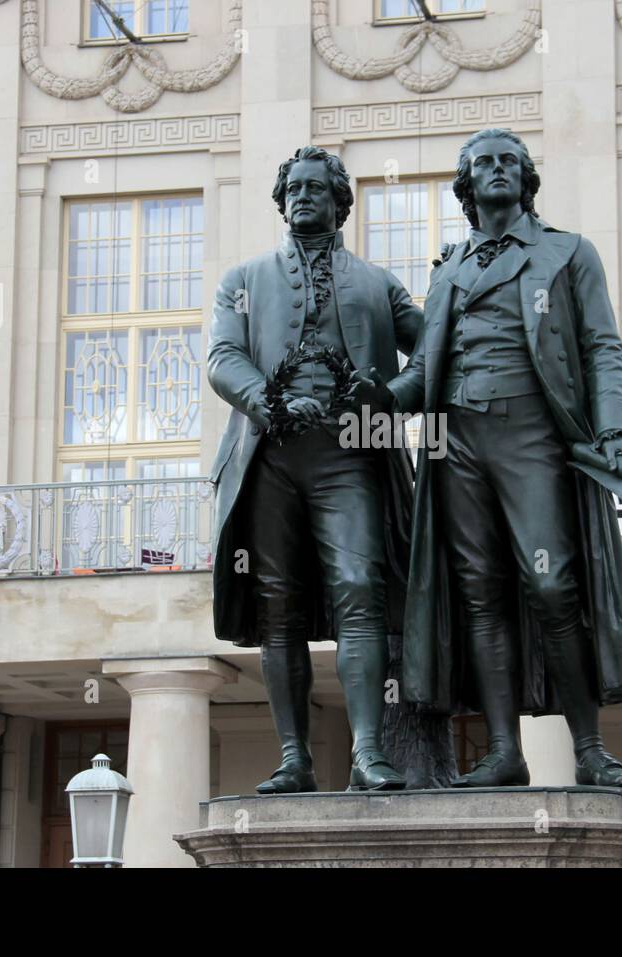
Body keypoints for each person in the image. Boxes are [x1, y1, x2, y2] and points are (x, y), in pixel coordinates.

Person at [400, 128, 622, 788]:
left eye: (510, 161)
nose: (498, 169)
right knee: (479, 594)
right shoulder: (448, 269)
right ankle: (504, 750)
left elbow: (602, 348)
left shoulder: (568, 252)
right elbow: (422, 368)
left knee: (552, 585)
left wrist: (613, 429)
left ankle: (588, 749)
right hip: (457, 443)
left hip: (532, 436)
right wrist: (369, 399)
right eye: (484, 163)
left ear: (526, 178)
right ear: (467, 184)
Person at [207, 146, 423, 793]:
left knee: (360, 587)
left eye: (317, 189)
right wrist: (268, 401)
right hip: (269, 457)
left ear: (339, 203)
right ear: (282, 202)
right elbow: (222, 357)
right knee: (279, 606)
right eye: (294, 189)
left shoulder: (378, 284)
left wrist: (390, 396)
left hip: (351, 455)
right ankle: (294, 757)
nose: (304, 197)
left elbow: (434, 351)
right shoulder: (243, 279)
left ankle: (368, 751)